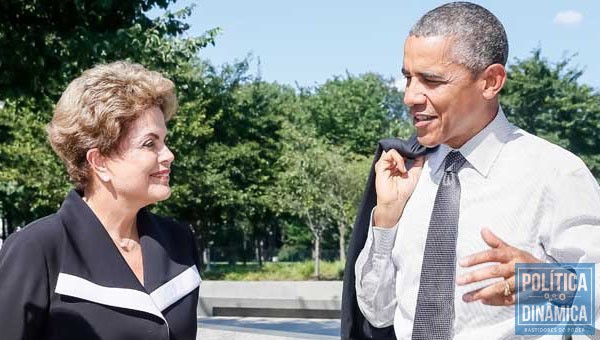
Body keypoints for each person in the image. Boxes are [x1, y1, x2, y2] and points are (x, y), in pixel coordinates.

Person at [341, 2, 600, 339]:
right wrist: (387, 219)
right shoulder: (405, 172)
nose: (410, 96)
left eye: (431, 80)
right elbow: (378, 314)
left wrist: (546, 283)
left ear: (491, 81)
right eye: (408, 77)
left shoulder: (555, 174)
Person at [0, 61, 202, 340]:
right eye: (150, 143)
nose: (168, 155)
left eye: (164, 140)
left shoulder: (179, 242)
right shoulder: (37, 249)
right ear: (100, 161)